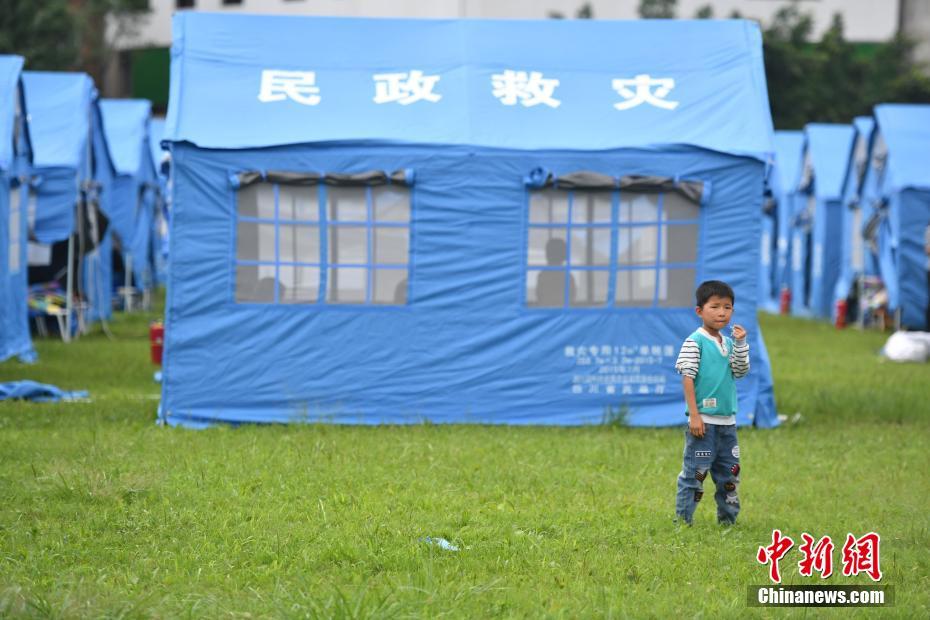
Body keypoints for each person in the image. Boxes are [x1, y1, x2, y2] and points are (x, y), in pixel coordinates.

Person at [673, 280, 750, 526]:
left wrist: (741, 344)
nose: (721, 313)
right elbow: (688, 377)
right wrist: (694, 415)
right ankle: (683, 522)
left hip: (727, 424)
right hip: (703, 424)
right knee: (695, 475)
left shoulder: (729, 343)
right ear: (700, 311)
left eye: (727, 307)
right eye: (715, 307)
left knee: (729, 475)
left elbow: (740, 371)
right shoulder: (694, 341)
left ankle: (728, 522)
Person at [535, 238, 577, 306]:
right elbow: (571, 299)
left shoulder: (542, 276)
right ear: (564, 255)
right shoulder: (568, 276)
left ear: (547, 255)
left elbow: (540, 298)